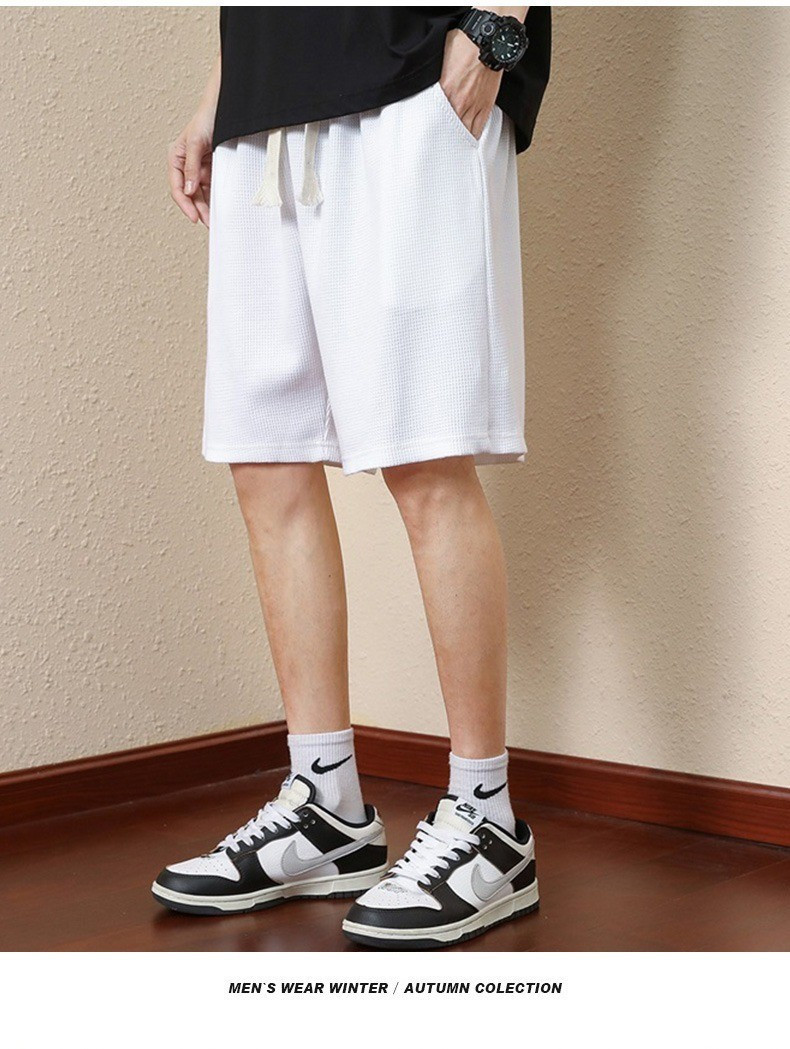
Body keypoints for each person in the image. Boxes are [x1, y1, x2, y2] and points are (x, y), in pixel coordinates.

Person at [153, 7, 551, 950]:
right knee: (267, 457)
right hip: (266, 98)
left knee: (425, 455)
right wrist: (222, 89)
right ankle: (325, 803)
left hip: (411, 73)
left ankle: (487, 817)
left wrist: (495, 31)